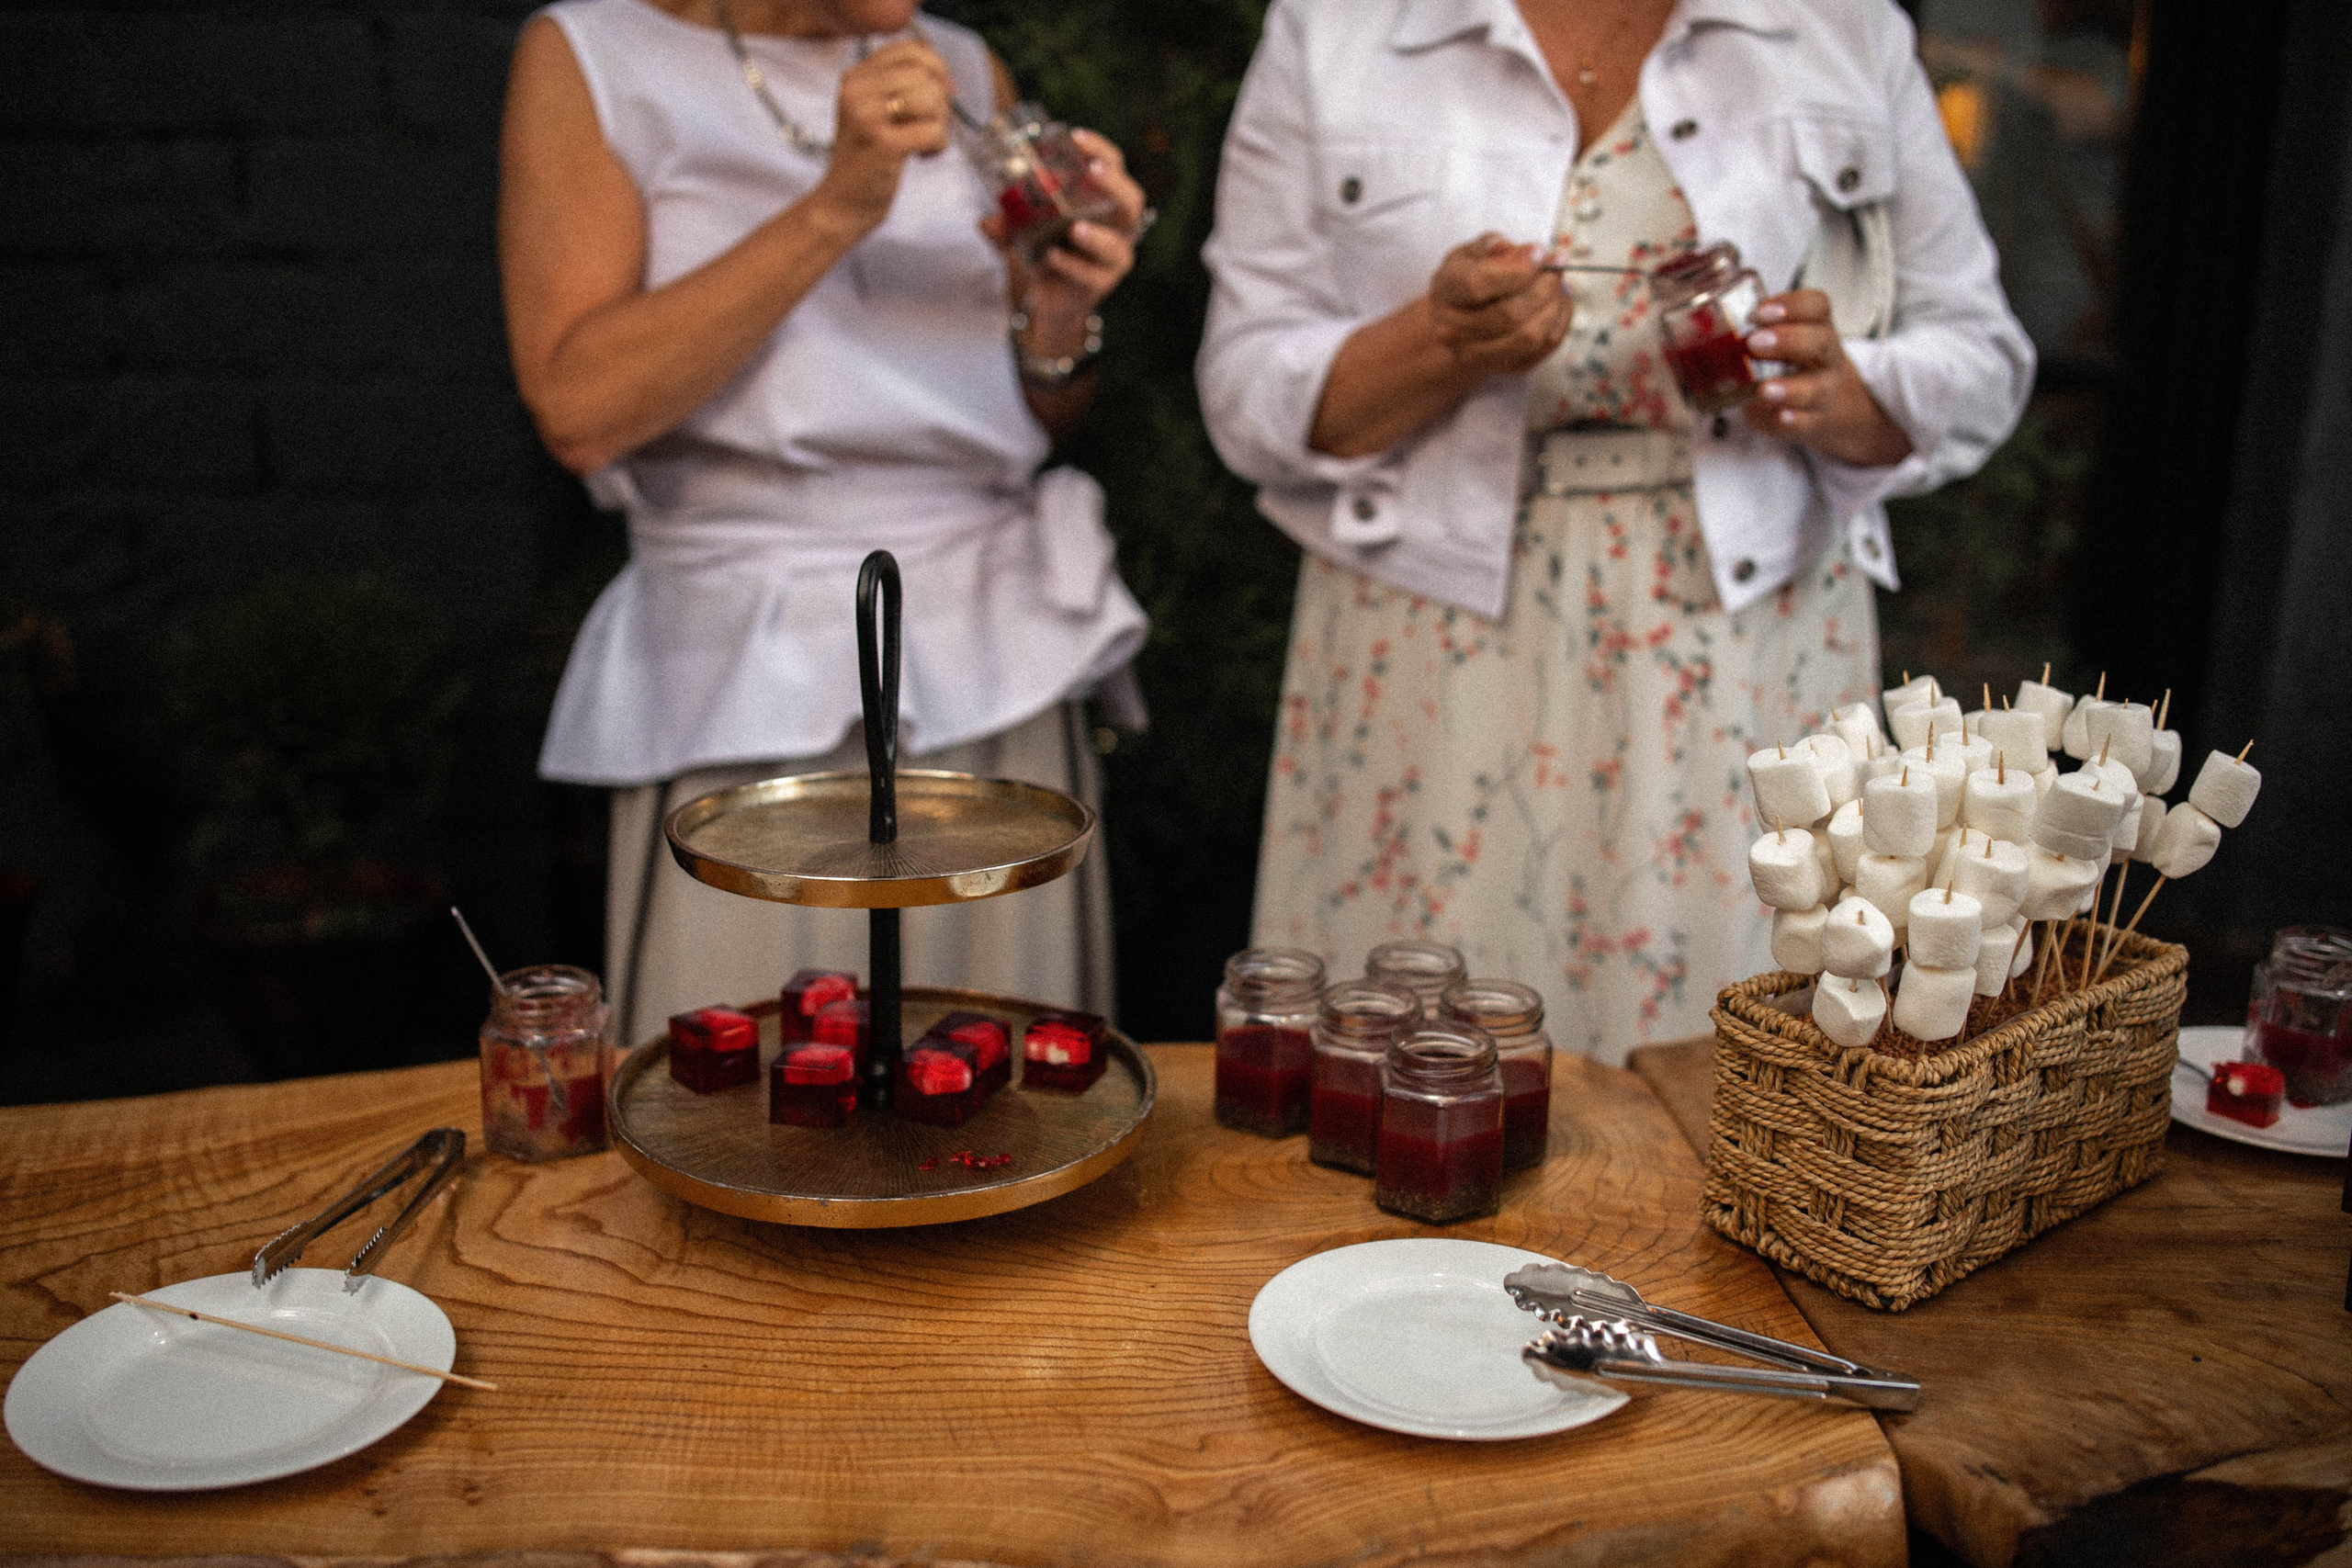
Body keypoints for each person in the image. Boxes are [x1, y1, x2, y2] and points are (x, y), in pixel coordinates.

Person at [1198, 0, 2033, 1063]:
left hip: (1746, 650)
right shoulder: (1336, 28)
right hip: (1429, 648)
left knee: (1723, 1085)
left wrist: (1847, 391)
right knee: (1420, 1064)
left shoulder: (1840, 27)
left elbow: (1980, 356)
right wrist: (1438, 342)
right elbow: (1241, 393)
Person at [501, 0, 1150, 1045]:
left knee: (1010, 1091)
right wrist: (838, 204)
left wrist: (1059, 317)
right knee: (754, 1095)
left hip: (995, 654)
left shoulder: (962, 67)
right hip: (749, 678)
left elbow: (1034, 414)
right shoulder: (591, 57)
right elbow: (577, 412)